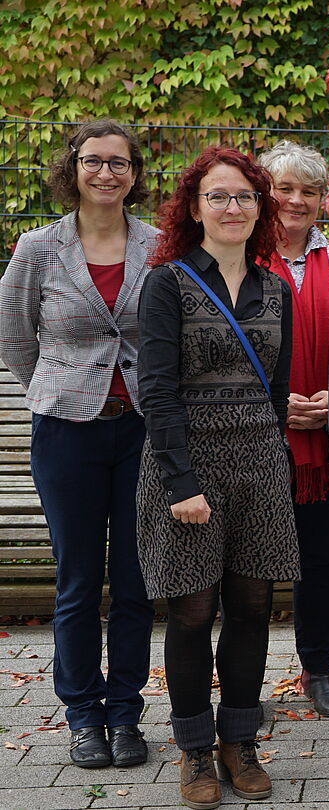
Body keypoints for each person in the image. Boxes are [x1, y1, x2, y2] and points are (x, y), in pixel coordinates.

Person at [136, 147, 300, 808]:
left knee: (254, 605)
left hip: (259, 461)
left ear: (260, 208)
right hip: (190, 465)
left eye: (244, 197)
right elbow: (156, 392)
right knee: (194, 607)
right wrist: (181, 484)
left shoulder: (276, 289)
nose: (232, 208)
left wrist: (277, 459)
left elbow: (280, 391)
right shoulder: (167, 282)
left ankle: (240, 740)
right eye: (218, 196)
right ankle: (196, 750)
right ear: (194, 207)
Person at [0, 120, 158, 770]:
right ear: (74, 168)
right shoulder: (40, 247)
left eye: (118, 163)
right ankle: (82, 717)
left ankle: (125, 715)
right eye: (94, 161)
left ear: (133, 173)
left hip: (141, 431)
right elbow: (14, 337)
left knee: (135, 581)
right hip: (66, 433)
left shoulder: (159, 245)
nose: (106, 173)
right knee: (77, 581)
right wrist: (61, 388)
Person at [257, 141, 329, 718]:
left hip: (327, 443)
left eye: (309, 190)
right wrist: (275, 405)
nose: (295, 200)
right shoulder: (234, 255)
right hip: (256, 440)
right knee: (250, 565)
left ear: (323, 198)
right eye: (283, 188)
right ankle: (240, 681)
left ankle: (318, 669)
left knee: (322, 561)